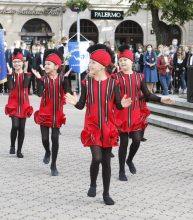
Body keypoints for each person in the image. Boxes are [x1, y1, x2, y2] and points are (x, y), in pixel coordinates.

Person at [65, 44, 132, 205]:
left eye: (93, 63)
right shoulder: (87, 82)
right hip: (92, 126)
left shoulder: (113, 83)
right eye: (90, 62)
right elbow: (82, 105)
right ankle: (93, 183)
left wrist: (122, 104)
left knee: (107, 162)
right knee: (97, 157)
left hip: (108, 127)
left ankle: (106, 194)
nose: (90, 65)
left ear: (102, 66)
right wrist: (75, 102)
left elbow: (117, 104)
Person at [113, 45, 175, 182]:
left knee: (136, 140)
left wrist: (162, 99)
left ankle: (129, 160)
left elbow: (147, 94)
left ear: (131, 61)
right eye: (120, 60)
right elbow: (114, 97)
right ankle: (121, 170)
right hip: (121, 114)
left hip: (135, 114)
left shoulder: (139, 77)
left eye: (125, 60)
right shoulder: (115, 77)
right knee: (123, 142)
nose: (122, 62)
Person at [32, 49, 71, 176]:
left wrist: (66, 79)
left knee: (55, 138)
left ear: (56, 66)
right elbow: (38, 94)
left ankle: (53, 164)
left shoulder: (61, 78)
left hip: (57, 113)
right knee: (44, 138)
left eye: (49, 64)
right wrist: (38, 80)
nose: (46, 66)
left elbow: (67, 93)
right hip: (44, 112)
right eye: (45, 64)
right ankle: (47, 151)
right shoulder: (43, 79)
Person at [5, 49, 33, 158]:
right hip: (13, 103)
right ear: (12, 63)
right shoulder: (10, 74)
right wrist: (10, 75)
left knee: (22, 128)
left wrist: (25, 72)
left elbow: (25, 85)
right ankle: (12, 145)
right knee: (15, 125)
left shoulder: (27, 74)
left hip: (24, 104)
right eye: (15, 62)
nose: (17, 64)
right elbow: (11, 87)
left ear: (22, 62)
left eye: (19, 62)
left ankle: (19, 150)